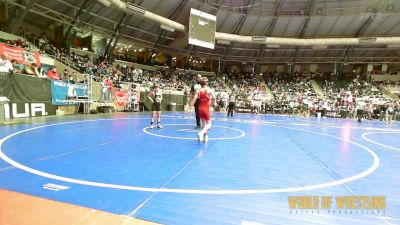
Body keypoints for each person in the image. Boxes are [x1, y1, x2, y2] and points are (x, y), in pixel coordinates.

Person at [190, 78, 216, 142]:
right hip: (206, 108)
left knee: (204, 124)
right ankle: (201, 133)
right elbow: (214, 98)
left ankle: (204, 138)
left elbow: (194, 99)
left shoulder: (198, 91)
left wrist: (190, 106)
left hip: (200, 108)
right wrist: (210, 106)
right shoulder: (209, 90)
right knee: (209, 124)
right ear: (207, 83)